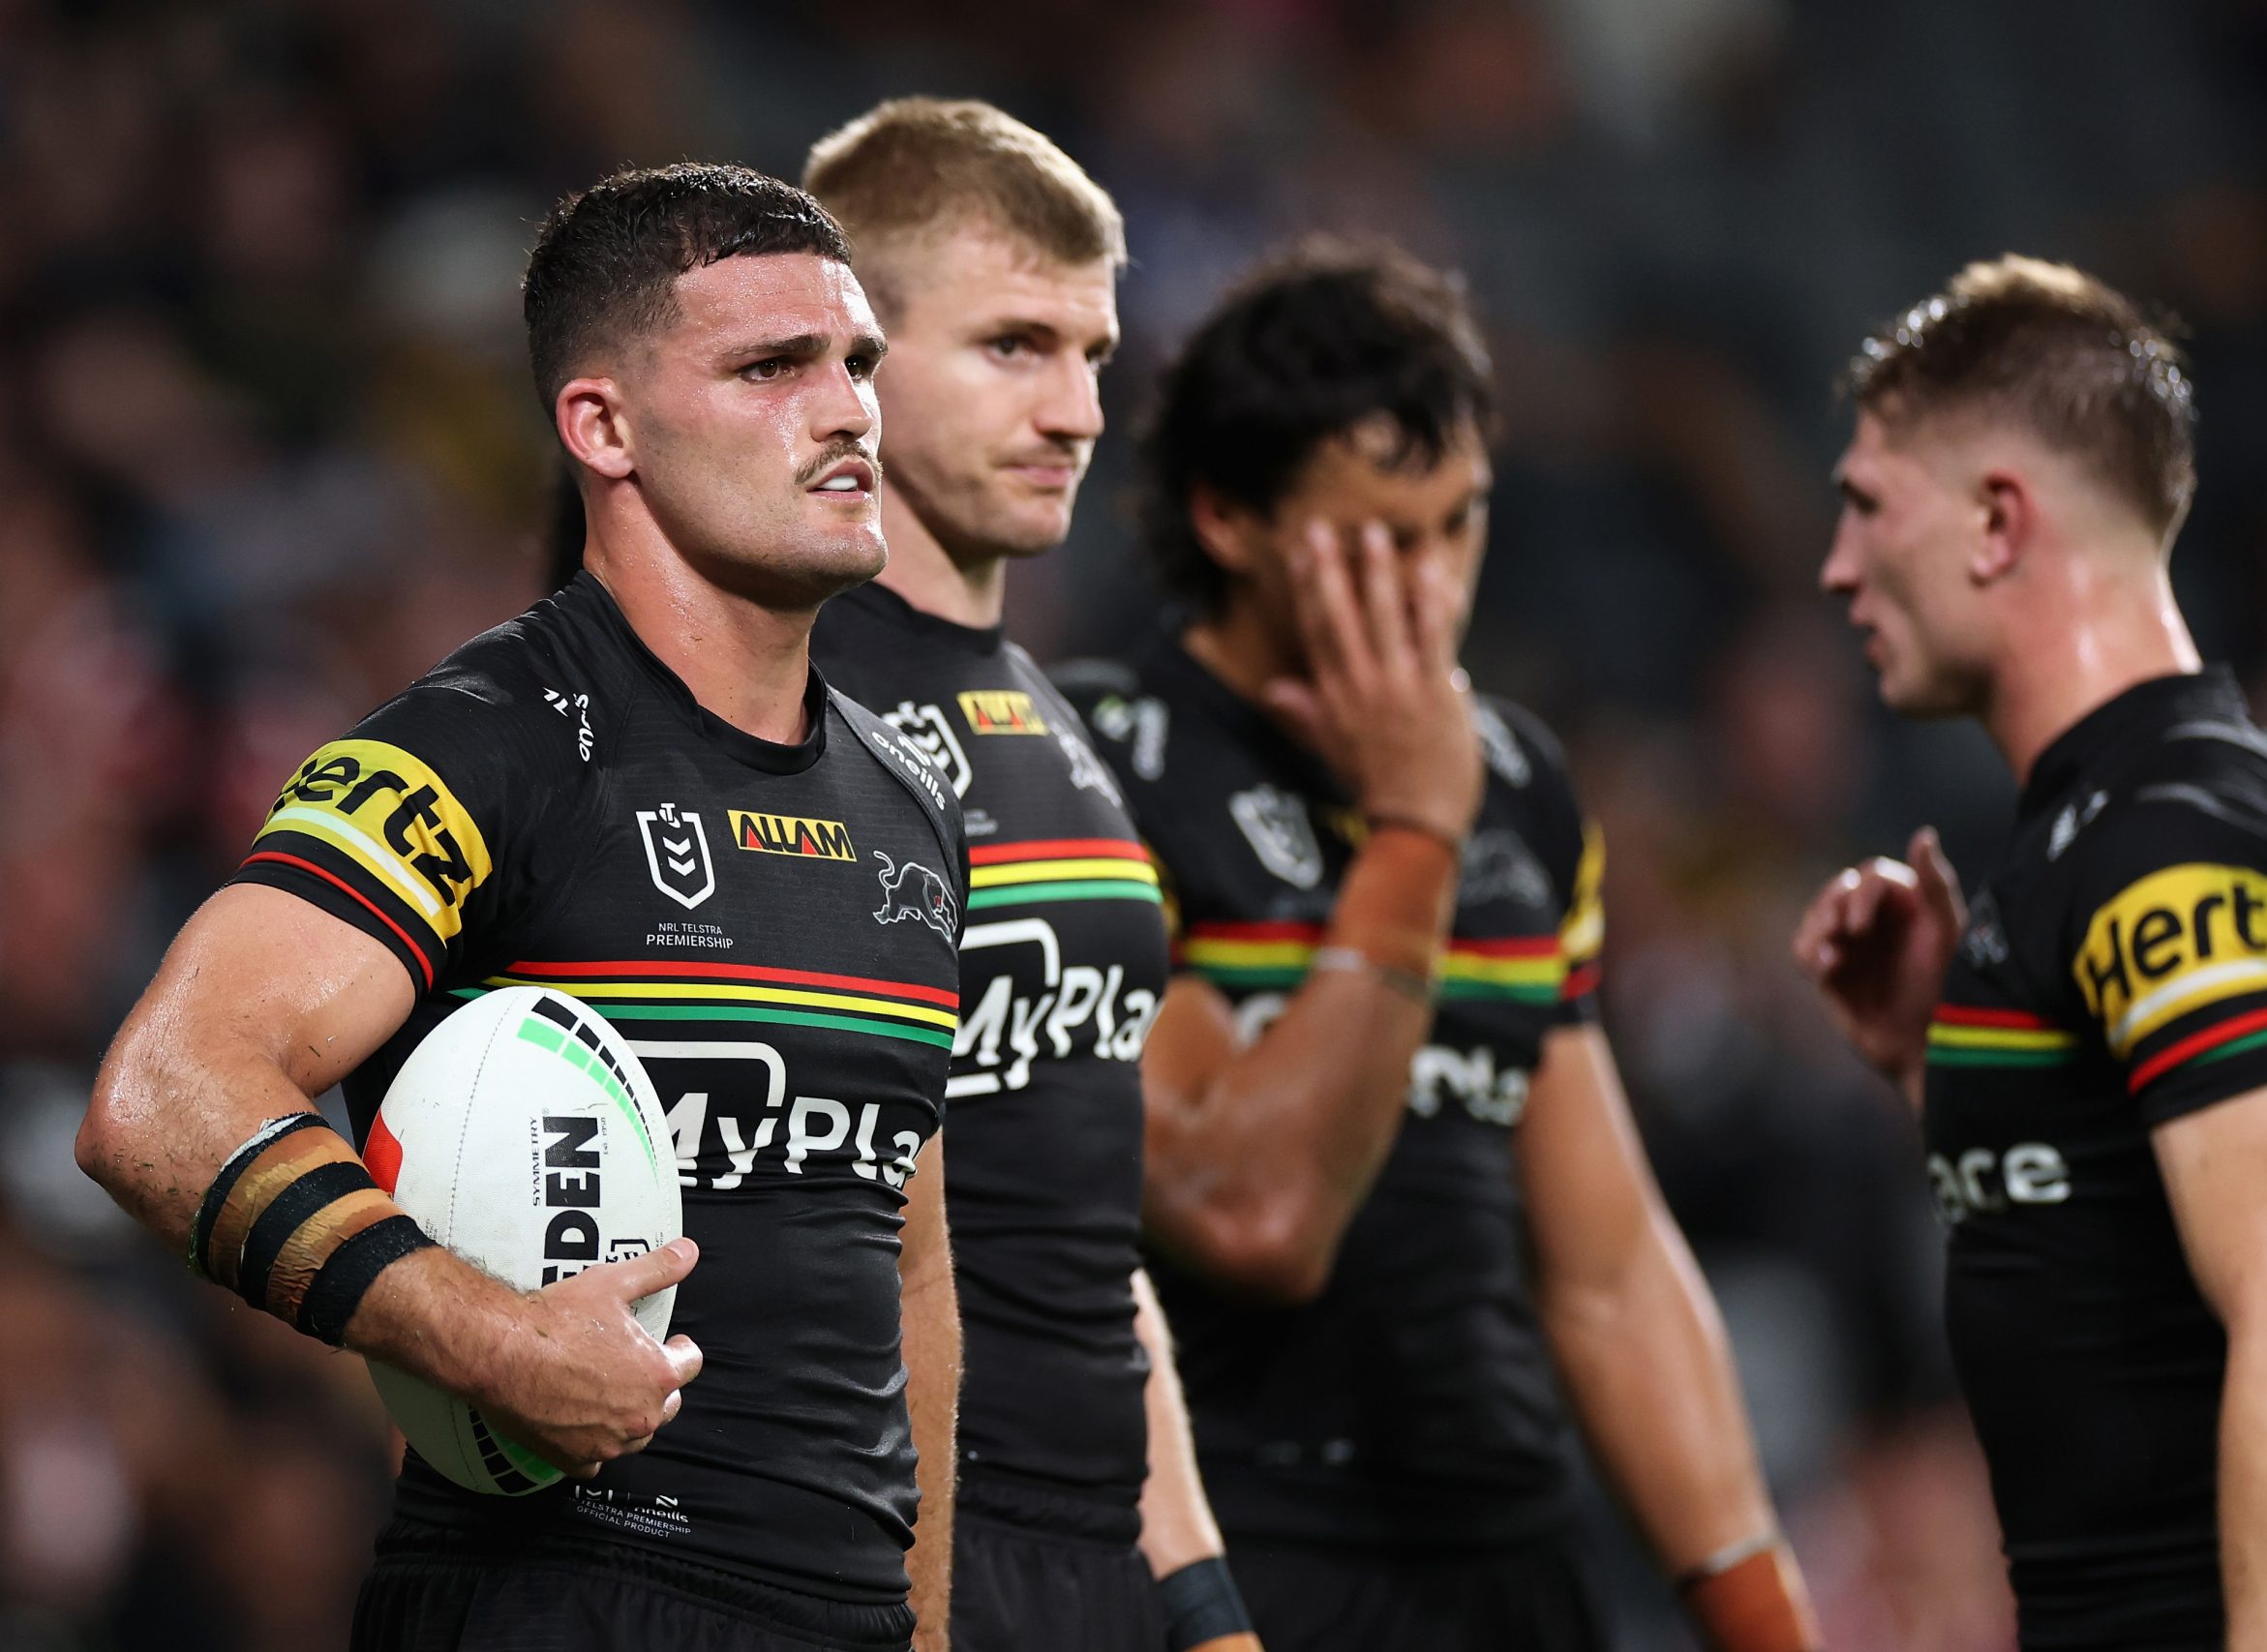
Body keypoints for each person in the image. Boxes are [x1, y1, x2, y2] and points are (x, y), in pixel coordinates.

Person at [76, 162, 968, 1652]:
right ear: (601, 427)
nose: (848, 411)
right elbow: (160, 1097)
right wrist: (490, 1342)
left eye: (855, 363)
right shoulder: (483, 743)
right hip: (557, 1602)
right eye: (771, 366)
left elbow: (910, 1261)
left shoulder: (913, 801)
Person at [1056, 242, 1819, 1652]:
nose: (1433, 590)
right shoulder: (1094, 776)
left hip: (1512, 1568)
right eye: (1377, 541)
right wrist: (1410, 837)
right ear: (1226, 516)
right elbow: (1248, 1213)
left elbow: (1606, 1268)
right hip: (1245, 1557)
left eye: (1458, 525)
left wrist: (1765, 1619)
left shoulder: (1516, 785)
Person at [1792, 255, 2267, 1652]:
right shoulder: (2108, 827)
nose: (1837, 564)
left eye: (1867, 507)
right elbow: (2120, 1244)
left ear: (1996, 520)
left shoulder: (2172, 836)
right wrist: (1944, 1061)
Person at [798, 99, 1259, 1652]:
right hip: (879, 1560)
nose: (1075, 409)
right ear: (853, 357)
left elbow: (1084, 1220)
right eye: (1013, 346)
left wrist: (1198, 1600)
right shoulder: (776, 720)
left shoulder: (1049, 717)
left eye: (1093, 355)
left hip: (1087, 1568)